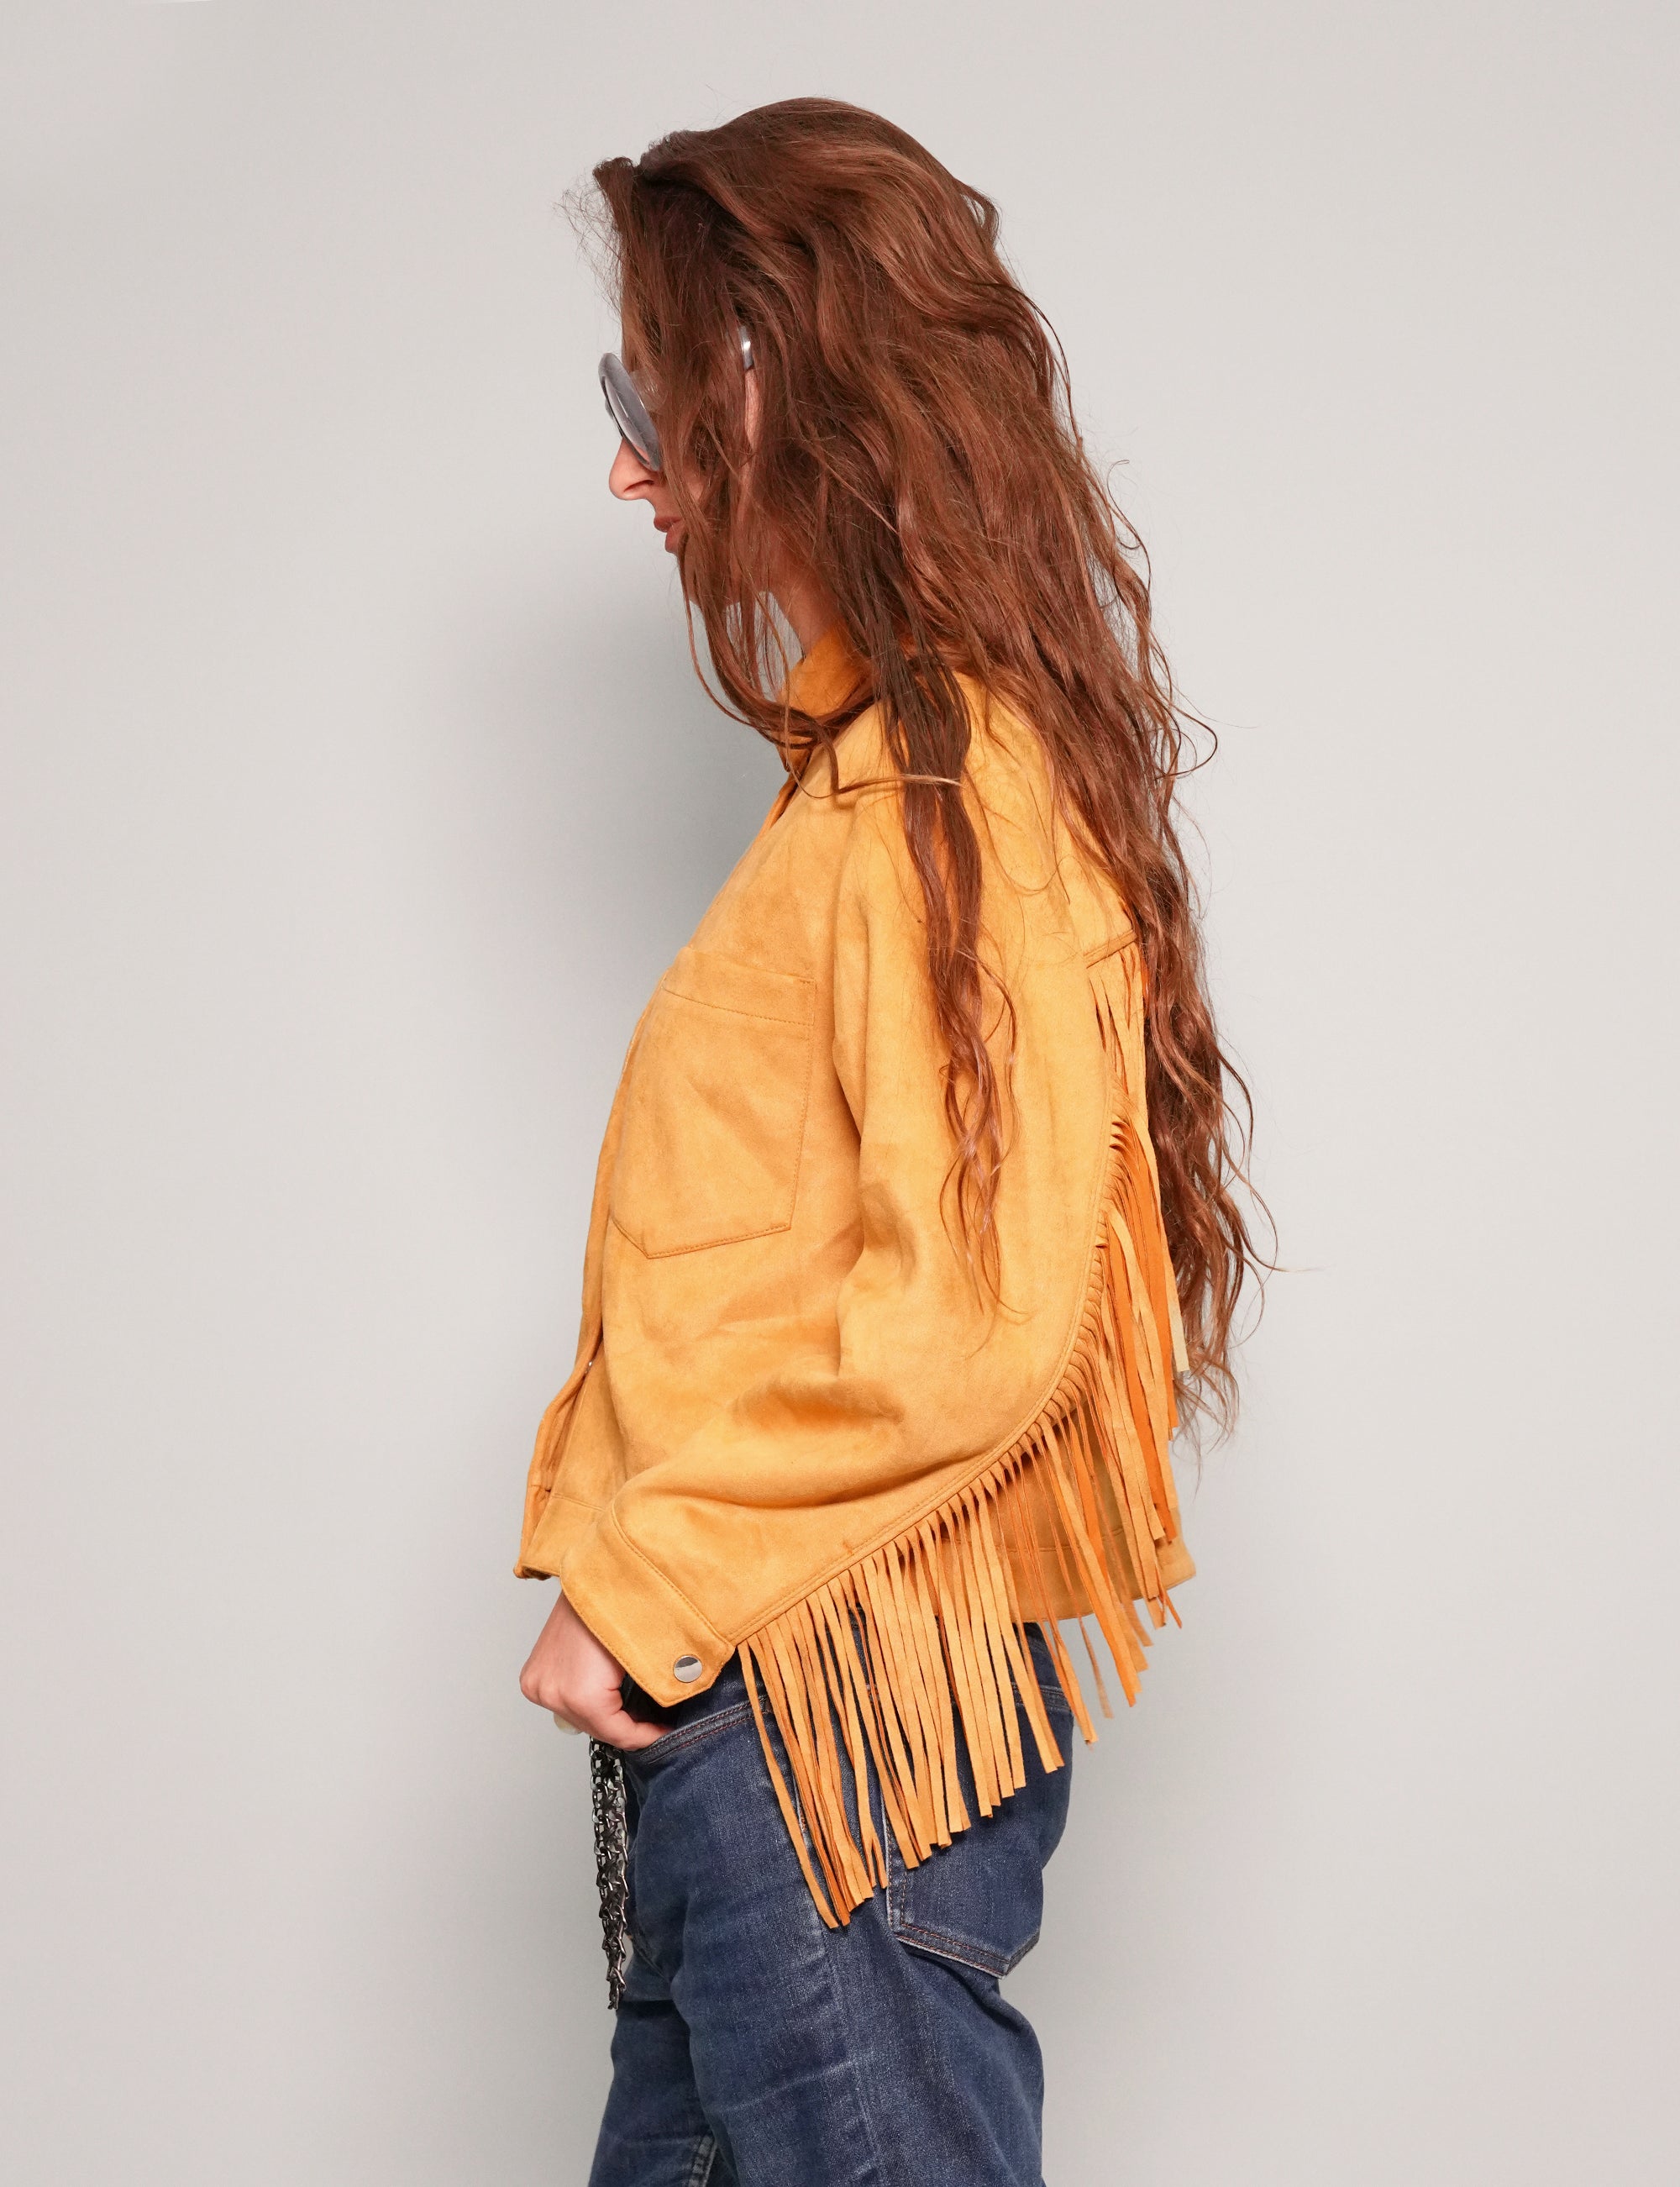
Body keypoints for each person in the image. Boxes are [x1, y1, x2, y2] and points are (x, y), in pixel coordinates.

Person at [516, 97, 1263, 2187]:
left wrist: (645, 1580)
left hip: (818, 1729)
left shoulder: (945, 788)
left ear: (772, 383)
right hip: (773, 1716)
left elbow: (973, 1323)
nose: (629, 465)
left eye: (652, 398)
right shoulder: (868, 788)